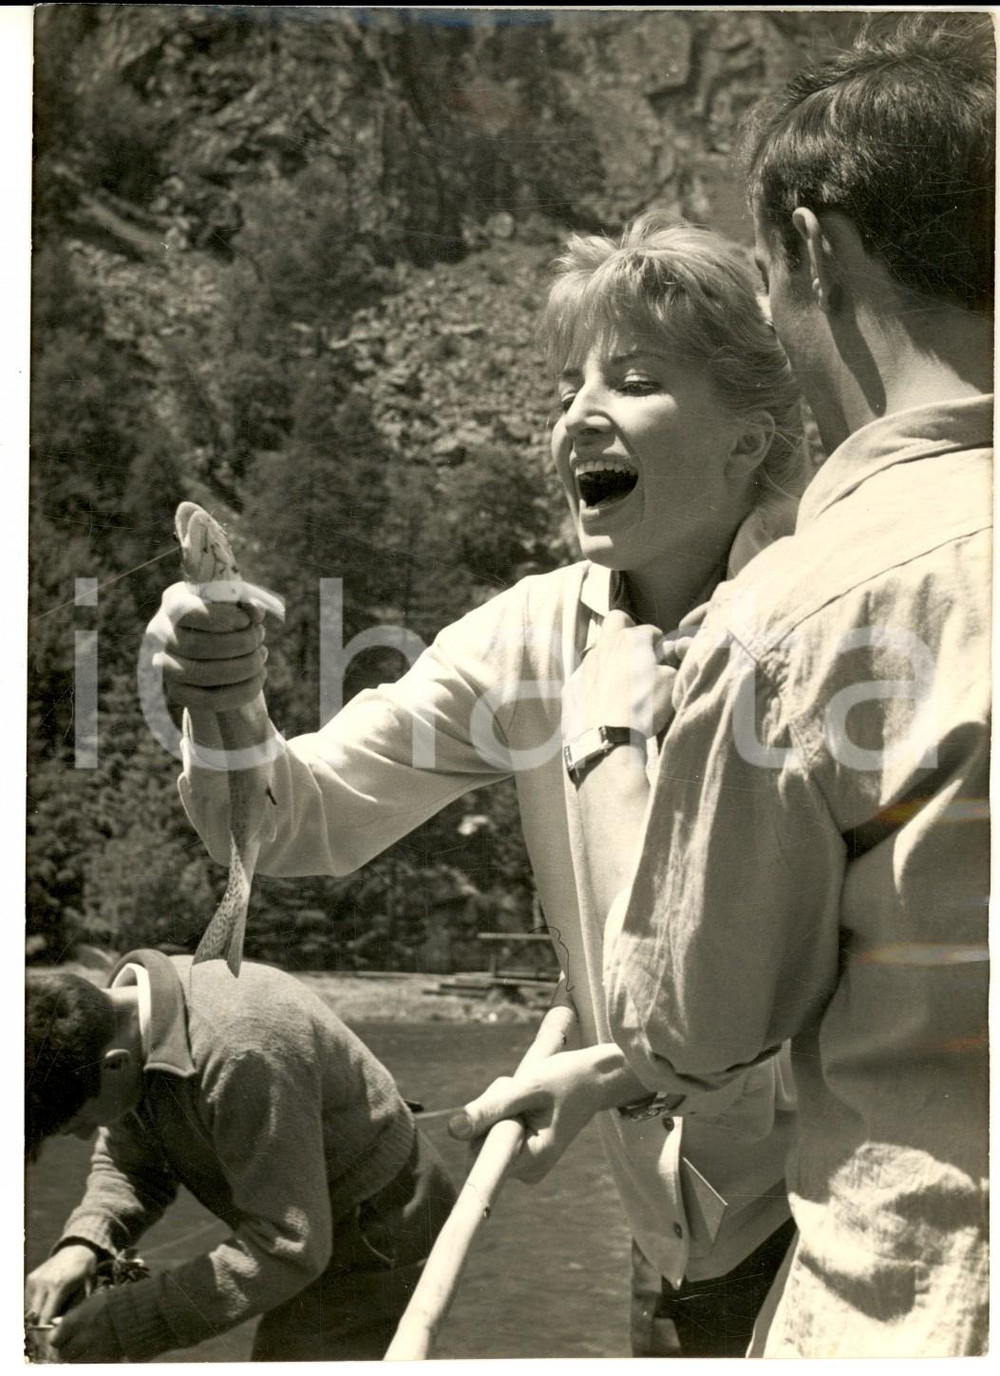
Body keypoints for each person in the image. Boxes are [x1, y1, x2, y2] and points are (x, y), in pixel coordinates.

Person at [146, 215, 809, 1358]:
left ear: (753, 436)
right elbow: (296, 817)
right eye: (567, 386)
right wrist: (220, 704)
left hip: (839, 1225)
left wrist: (612, 1067)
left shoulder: (839, 611)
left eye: (635, 379)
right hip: (669, 1245)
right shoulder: (524, 638)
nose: (576, 416)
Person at [591, 14, 992, 1358]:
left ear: (815, 250)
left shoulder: (799, 611)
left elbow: (694, 1023)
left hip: (925, 1307)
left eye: (764, 276)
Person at [24, 950, 457, 1361]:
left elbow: (288, 1247)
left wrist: (123, 1322)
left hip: (383, 1224)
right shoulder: (109, 1027)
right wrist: (86, 1242)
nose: (85, 1137)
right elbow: (130, 1163)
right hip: (301, 1223)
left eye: (77, 1125)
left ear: (114, 1065)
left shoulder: (242, 1050)